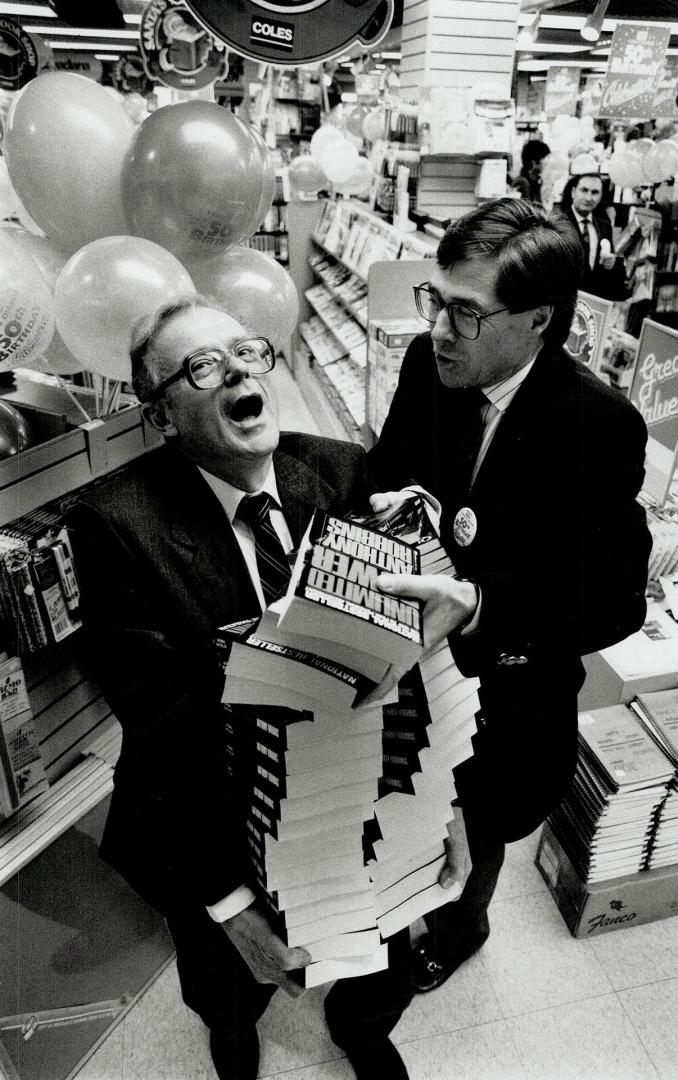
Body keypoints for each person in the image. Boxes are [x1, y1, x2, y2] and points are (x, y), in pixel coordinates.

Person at [68, 296, 413, 1080]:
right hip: (214, 825)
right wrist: (227, 905)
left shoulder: (340, 468)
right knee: (228, 985)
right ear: (160, 416)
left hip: (349, 801)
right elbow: (166, 733)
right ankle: (232, 1036)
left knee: (369, 957)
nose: (236, 375)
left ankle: (360, 1029)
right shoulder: (116, 526)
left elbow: (396, 661)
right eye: (201, 367)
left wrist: (438, 804)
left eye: (246, 353)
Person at [365, 197, 652, 993]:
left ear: (537, 321)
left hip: (511, 696)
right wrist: (388, 506)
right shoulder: (431, 366)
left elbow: (614, 600)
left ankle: (464, 925)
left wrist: (484, 603)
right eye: (436, 300)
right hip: (413, 668)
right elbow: (391, 466)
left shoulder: (600, 423)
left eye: (465, 312)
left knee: (481, 822)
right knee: (406, 804)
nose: (437, 329)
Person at [561, 171, 629, 300]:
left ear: (601, 196)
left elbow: (607, 268)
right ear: (573, 192)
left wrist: (611, 263)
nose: (588, 198)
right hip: (565, 302)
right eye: (584, 190)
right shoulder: (558, 223)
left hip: (593, 305)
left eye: (595, 192)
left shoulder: (604, 226)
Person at [511, 138, 550, 203]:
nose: (546, 162)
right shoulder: (523, 183)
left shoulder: (536, 180)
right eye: (544, 158)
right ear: (534, 162)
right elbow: (529, 210)